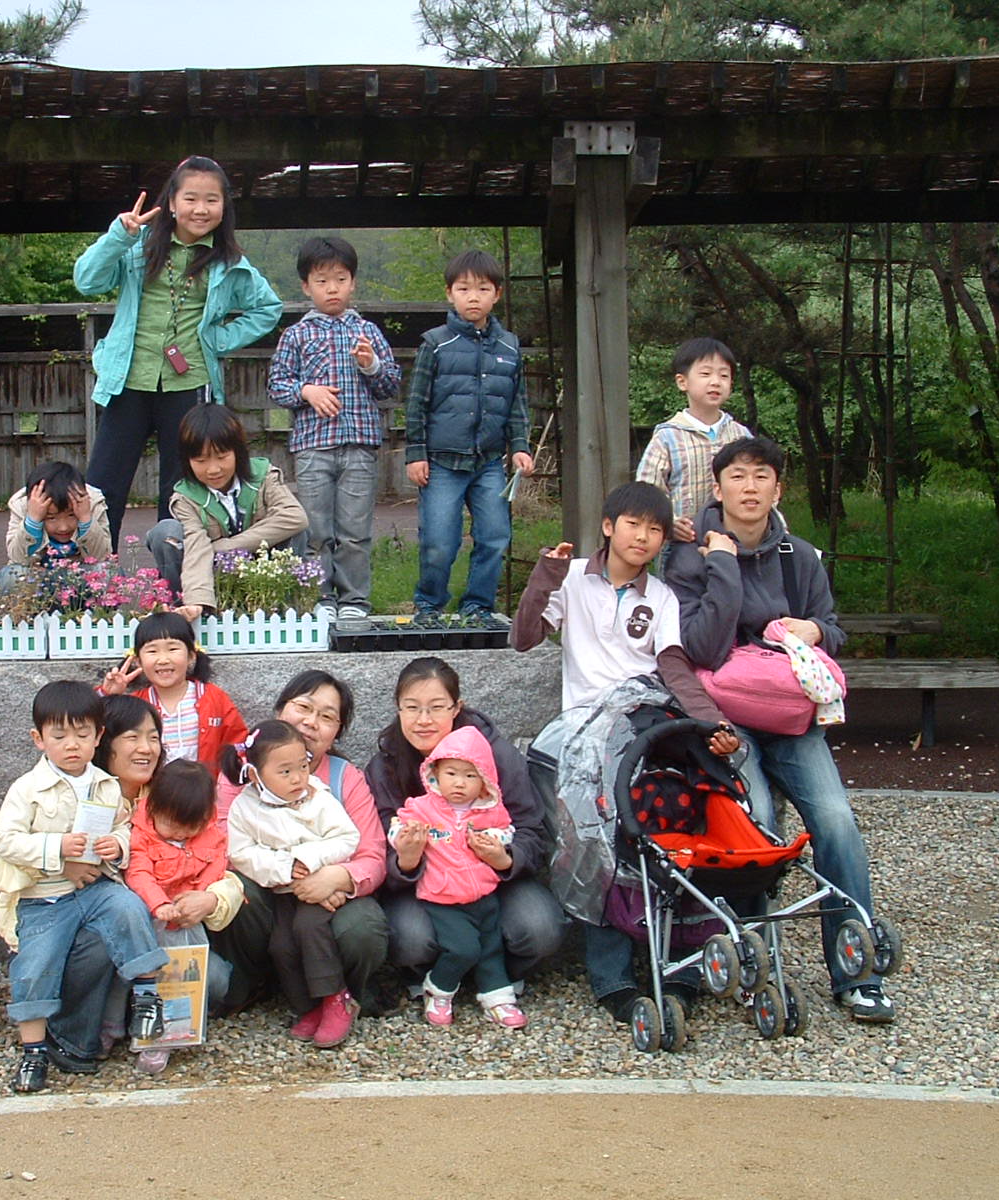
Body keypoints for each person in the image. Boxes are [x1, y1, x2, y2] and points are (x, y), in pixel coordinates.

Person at [664, 435, 897, 1023]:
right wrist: (722, 563)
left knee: (836, 822)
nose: (750, 487)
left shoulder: (800, 556)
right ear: (717, 488)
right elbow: (700, 647)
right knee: (758, 826)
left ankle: (856, 970)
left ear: (778, 489)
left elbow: (831, 628)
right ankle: (757, 966)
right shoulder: (688, 558)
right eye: (737, 476)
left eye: (761, 476)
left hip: (792, 721)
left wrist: (816, 631)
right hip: (727, 722)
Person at [512, 480, 738, 1022]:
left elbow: (673, 667)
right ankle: (612, 978)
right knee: (598, 845)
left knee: (673, 833)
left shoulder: (660, 596)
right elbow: (523, 637)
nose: (643, 537)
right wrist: (546, 574)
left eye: (655, 529)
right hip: (585, 733)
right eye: (633, 524)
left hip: (643, 727)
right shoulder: (573, 577)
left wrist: (710, 723)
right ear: (609, 527)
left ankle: (681, 967)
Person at [74, 156, 284, 548]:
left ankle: (174, 577)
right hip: (128, 379)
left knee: (181, 489)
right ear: (172, 202)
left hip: (190, 384)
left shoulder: (229, 262)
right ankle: (93, 577)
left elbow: (268, 308)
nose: (200, 209)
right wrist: (119, 236)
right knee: (103, 484)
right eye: (190, 199)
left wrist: (218, 340)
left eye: (211, 200)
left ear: (224, 207)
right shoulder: (137, 245)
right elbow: (86, 280)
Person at [0, 681, 169, 1093]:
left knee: (128, 907)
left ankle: (147, 996)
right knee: (36, 964)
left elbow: (123, 828)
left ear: (98, 737)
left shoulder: (105, 784)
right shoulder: (27, 789)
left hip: (93, 888)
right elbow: (4, 840)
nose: (72, 745)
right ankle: (34, 1050)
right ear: (38, 739)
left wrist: (118, 845)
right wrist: (55, 849)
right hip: (44, 896)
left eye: (82, 734)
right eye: (59, 736)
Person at [366, 657, 565, 986]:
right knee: (409, 939)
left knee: (540, 928)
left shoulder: (495, 754)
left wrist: (506, 859)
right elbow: (377, 844)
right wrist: (405, 861)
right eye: (412, 708)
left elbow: (531, 827)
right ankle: (437, 977)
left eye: (437, 707)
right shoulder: (386, 766)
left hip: (493, 882)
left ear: (457, 707)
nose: (423, 720)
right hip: (426, 887)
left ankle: (500, 974)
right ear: (398, 709)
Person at [210, 670, 389, 1016]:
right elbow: (224, 844)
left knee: (362, 927)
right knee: (235, 892)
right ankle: (250, 983)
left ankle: (348, 993)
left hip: (328, 895)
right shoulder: (244, 773)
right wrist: (289, 872)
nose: (311, 722)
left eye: (327, 717)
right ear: (280, 710)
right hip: (268, 888)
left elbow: (372, 855)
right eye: (303, 707)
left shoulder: (344, 779)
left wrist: (338, 878)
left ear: (336, 733)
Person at [266, 235, 401, 625]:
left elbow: (391, 386)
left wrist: (372, 366)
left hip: (359, 445)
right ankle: (318, 596)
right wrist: (306, 391)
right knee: (314, 530)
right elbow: (277, 385)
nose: (332, 289)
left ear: (353, 283)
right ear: (306, 286)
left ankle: (355, 598)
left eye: (340, 279)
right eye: (322, 281)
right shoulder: (295, 335)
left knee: (355, 530)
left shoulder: (368, 332)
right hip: (313, 446)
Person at [405, 250, 535, 620]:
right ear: (450, 293)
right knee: (439, 541)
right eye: (464, 289)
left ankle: (478, 606)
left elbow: (516, 404)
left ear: (497, 294)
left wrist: (520, 447)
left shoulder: (509, 347)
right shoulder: (435, 343)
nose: (473, 297)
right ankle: (429, 605)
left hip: (490, 463)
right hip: (441, 463)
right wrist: (416, 453)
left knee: (495, 536)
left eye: (482, 289)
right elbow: (416, 403)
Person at [224, 720, 362, 1049]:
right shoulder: (245, 807)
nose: (298, 778)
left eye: (302, 766)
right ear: (255, 774)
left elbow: (347, 837)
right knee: (281, 945)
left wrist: (309, 860)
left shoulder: (318, 797)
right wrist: (284, 867)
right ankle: (309, 1007)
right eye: (285, 772)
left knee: (308, 929)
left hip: (321, 883)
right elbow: (241, 854)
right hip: (283, 890)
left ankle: (336, 998)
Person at [389, 725, 526, 1029]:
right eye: (451, 774)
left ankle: (498, 997)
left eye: (470, 776)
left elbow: (508, 829)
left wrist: (495, 841)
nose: (460, 783)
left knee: (490, 947)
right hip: (443, 895)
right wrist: (405, 839)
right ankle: (438, 988)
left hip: (484, 892)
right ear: (435, 774)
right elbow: (398, 825)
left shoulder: (490, 809)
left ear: (485, 780)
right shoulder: (423, 807)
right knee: (463, 947)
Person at [123, 758, 240, 1074]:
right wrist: (159, 903)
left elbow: (217, 865)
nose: (180, 833)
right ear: (154, 809)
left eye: (190, 828)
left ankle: (181, 1028)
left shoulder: (211, 834)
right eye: (172, 825)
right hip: (151, 922)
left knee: (195, 976)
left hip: (187, 922)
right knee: (143, 977)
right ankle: (129, 1030)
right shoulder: (142, 832)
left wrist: (199, 896)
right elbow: (138, 872)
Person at [145, 404, 308, 619]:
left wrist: (226, 547)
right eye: (201, 460)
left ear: (238, 452)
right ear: (187, 460)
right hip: (208, 573)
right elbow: (196, 547)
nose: (213, 469)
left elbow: (295, 517)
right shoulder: (185, 497)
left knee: (296, 532)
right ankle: (185, 612)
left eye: (222, 457)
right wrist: (198, 602)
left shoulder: (262, 475)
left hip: (261, 573)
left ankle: (283, 611)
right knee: (166, 533)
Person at [635, 337, 752, 572]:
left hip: (736, 544)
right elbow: (647, 491)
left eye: (724, 375)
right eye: (705, 374)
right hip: (682, 546)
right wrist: (669, 524)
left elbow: (762, 486)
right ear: (682, 382)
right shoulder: (668, 437)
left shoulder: (741, 435)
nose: (715, 382)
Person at [98, 610, 246, 772]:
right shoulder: (135, 705)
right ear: (138, 661)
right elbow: (94, 734)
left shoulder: (214, 698)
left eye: (173, 649)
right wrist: (107, 695)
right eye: (152, 651)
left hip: (208, 787)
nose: (163, 659)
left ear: (191, 656)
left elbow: (237, 745)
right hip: (150, 788)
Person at [2, 460, 112, 571]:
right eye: (51, 518)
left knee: (105, 569)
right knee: (13, 572)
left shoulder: (91, 504)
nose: (63, 527)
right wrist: (33, 520)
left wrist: (85, 518)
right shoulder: (23, 506)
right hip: (36, 574)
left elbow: (101, 556)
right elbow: (18, 558)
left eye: (71, 515)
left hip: (82, 573)